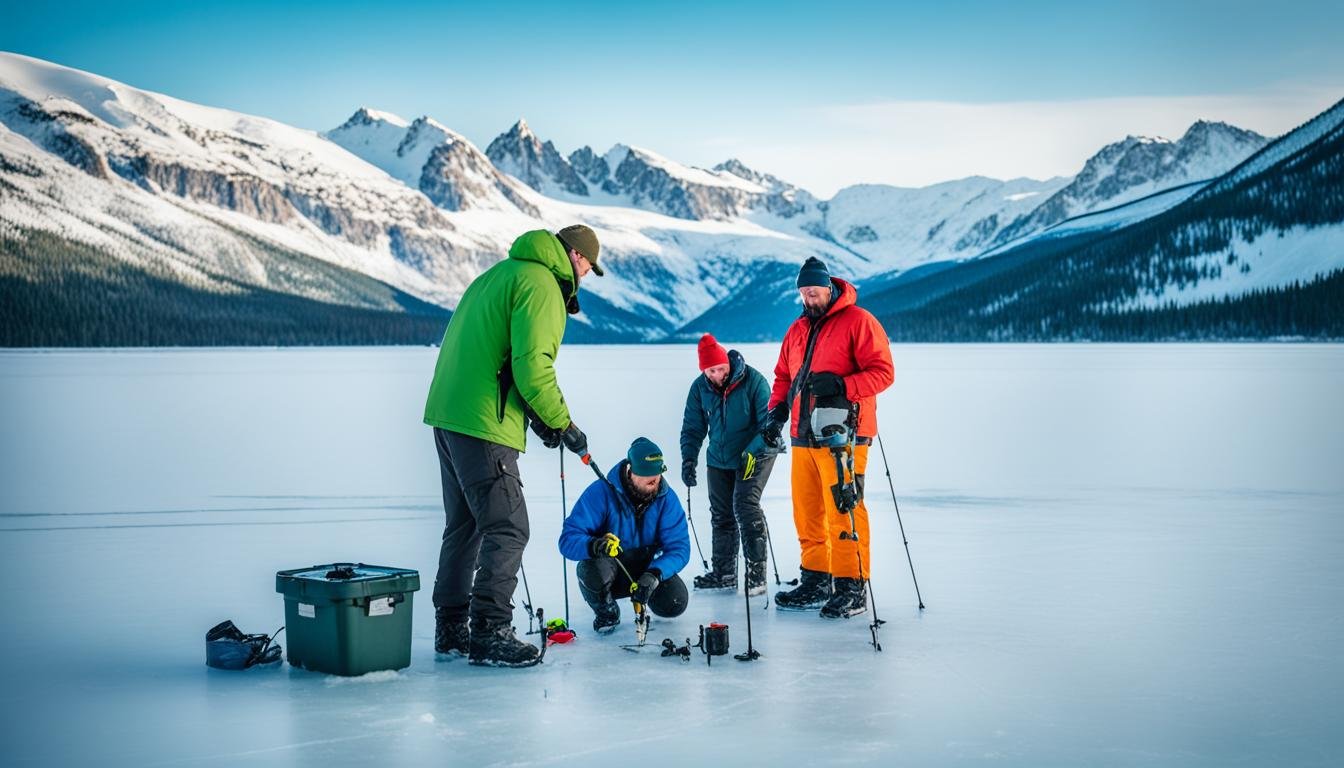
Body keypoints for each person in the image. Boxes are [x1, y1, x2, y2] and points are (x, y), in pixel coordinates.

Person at [423, 224, 603, 667]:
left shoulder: (499, 274)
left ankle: (451, 629)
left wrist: (540, 423)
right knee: (509, 526)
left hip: (450, 416)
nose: (583, 278)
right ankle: (489, 631)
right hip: (485, 421)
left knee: (465, 525)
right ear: (577, 258)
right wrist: (563, 424)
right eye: (587, 268)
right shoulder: (542, 283)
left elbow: (499, 356)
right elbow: (532, 367)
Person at [760, 256, 894, 619]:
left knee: (844, 508)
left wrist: (842, 385)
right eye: (803, 293)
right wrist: (776, 412)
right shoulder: (797, 329)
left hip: (844, 435)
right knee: (807, 512)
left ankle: (852, 585)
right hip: (803, 433)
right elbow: (783, 377)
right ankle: (816, 579)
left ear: (829, 288)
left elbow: (883, 372)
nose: (809, 299)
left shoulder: (859, 321)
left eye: (814, 292)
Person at [559, 437, 691, 633]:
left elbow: (679, 548)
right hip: (609, 570)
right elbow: (568, 539)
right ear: (631, 471)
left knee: (675, 602)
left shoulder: (667, 499)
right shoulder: (600, 493)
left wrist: (655, 574)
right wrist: (595, 545)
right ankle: (607, 611)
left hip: (646, 570)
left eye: (658, 475)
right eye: (648, 476)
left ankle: (645, 595)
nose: (655, 481)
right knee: (591, 569)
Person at [679, 333, 777, 596]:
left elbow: (768, 426)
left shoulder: (754, 381)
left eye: (720, 368)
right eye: (710, 371)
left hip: (756, 454)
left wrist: (752, 453)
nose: (716, 375)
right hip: (719, 459)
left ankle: (757, 576)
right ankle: (724, 573)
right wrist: (689, 459)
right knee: (721, 515)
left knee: (745, 507)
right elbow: (692, 428)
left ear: (728, 363)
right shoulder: (700, 387)